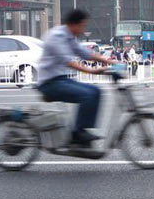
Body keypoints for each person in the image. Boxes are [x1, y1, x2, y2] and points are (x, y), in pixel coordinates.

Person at [37, 9, 116, 152]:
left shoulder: (69, 36)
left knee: (96, 91)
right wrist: (92, 71)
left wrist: (108, 60)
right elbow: (69, 62)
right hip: (49, 83)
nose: (83, 29)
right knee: (87, 95)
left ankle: (80, 131)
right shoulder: (57, 37)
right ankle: (77, 135)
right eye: (82, 26)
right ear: (73, 24)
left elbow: (84, 53)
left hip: (60, 80)